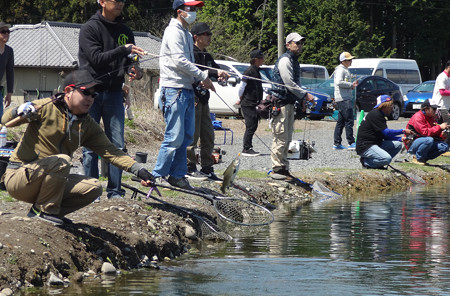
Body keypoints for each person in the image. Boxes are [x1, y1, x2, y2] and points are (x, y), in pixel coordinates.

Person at [0, 70, 155, 226]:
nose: (90, 98)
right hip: (19, 177)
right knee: (63, 160)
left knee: (93, 188)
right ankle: (45, 211)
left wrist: (139, 170)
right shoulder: (45, 107)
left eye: (93, 95)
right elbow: (6, 121)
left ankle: (43, 214)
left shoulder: (87, 124)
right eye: (86, 92)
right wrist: (19, 110)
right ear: (68, 91)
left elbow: (112, 152)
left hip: (52, 183)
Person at [78, 0, 145, 199]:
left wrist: (135, 70)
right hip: (90, 93)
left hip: (115, 93)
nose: (120, 3)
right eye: (115, 0)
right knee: (90, 145)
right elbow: (95, 58)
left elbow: (130, 61)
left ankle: (115, 190)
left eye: (123, 0)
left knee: (117, 145)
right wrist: (123, 50)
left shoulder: (125, 30)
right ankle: (91, 191)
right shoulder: (90, 28)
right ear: (102, 2)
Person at [153, 0, 214, 189]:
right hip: (174, 90)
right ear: (180, 11)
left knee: (186, 137)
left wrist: (199, 79)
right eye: (191, 8)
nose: (194, 12)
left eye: (196, 9)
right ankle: (156, 175)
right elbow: (179, 60)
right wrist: (203, 76)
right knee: (173, 137)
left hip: (187, 90)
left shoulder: (187, 34)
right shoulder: (172, 31)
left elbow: (188, 63)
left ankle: (178, 175)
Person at [268, 32, 315, 180]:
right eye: (296, 43)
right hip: (280, 103)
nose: (299, 45)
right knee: (280, 137)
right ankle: (276, 169)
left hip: (289, 103)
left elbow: (296, 83)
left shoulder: (295, 61)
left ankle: (283, 168)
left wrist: (300, 99)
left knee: (287, 138)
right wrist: (305, 95)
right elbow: (289, 83)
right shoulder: (285, 60)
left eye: (301, 43)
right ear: (288, 45)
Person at [186, 22, 229, 181]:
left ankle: (206, 167)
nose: (209, 36)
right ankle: (189, 167)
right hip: (194, 99)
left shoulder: (207, 56)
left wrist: (221, 74)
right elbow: (196, 71)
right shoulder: (192, 54)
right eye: (206, 34)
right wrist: (213, 72)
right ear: (196, 37)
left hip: (205, 101)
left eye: (210, 33)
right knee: (193, 135)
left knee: (208, 135)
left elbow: (214, 71)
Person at [356, 95, 412, 169]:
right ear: (384, 105)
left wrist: (400, 139)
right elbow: (387, 132)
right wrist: (403, 131)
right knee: (387, 159)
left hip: (375, 143)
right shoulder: (375, 114)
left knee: (397, 144)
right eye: (390, 105)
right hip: (366, 146)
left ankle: (378, 164)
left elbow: (384, 135)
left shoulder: (380, 115)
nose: (392, 107)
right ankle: (366, 162)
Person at [405, 99, 449, 165]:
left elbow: (434, 133)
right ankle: (416, 157)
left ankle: (423, 158)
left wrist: (442, 135)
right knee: (429, 140)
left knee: (444, 146)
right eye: (434, 109)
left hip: (425, 141)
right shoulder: (418, 117)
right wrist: (439, 127)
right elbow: (425, 133)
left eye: (436, 108)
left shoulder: (431, 117)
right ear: (426, 109)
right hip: (412, 143)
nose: (435, 111)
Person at [238, 49, 265, 157]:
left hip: (255, 103)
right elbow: (242, 87)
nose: (263, 60)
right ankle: (246, 148)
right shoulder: (248, 71)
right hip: (248, 103)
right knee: (251, 125)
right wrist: (240, 98)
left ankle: (248, 146)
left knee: (254, 124)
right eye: (261, 58)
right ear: (256, 59)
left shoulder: (257, 71)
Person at [333, 52, 358, 150]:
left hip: (343, 97)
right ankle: (351, 142)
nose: (351, 61)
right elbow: (339, 82)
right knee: (349, 120)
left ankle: (337, 143)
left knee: (341, 121)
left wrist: (351, 86)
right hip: (343, 98)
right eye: (349, 60)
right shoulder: (340, 70)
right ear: (343, 61)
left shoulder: (345, 70)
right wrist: (351, 85)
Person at [0, 21, 13, 118]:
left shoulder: (9, 51)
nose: (6, 34)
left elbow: (10, 72)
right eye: (3, 31)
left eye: (8, 31)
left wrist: (9, 93)